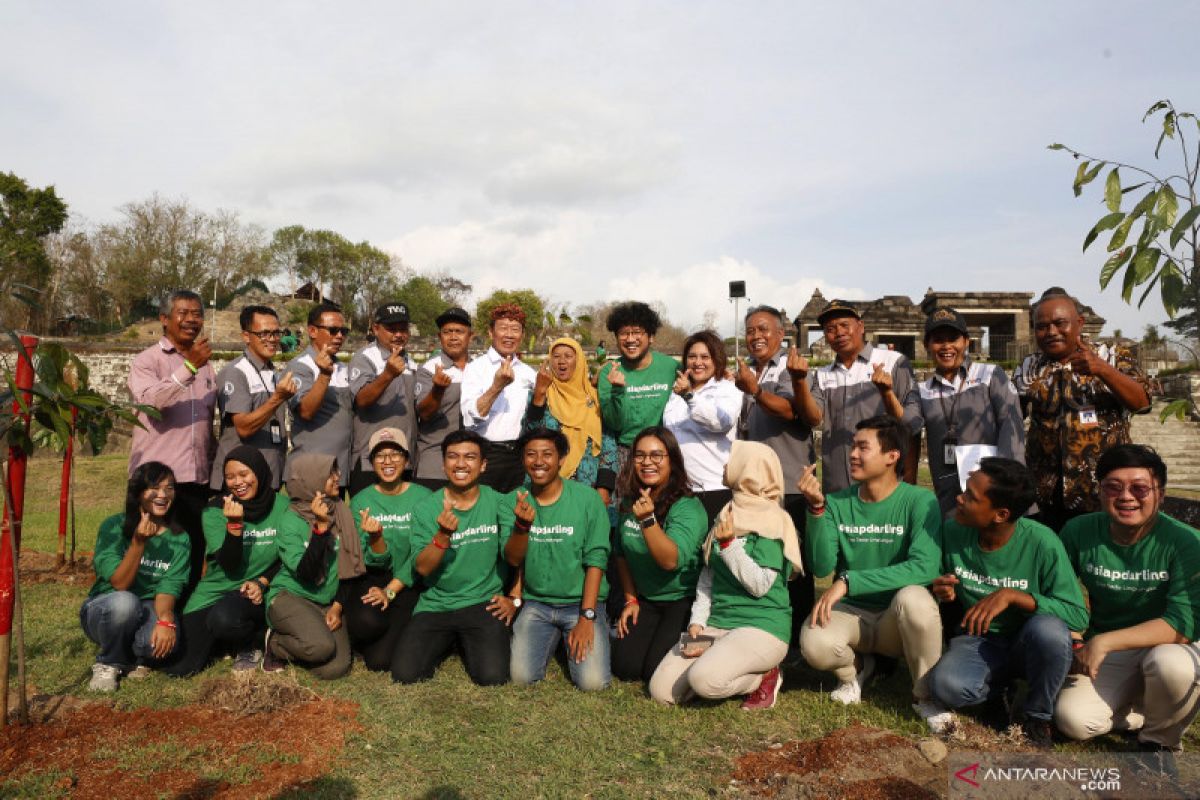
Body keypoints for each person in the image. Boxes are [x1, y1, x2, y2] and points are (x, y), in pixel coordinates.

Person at [1055, 445, 1200, 768]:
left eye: (1139, 488)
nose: (1126, 497)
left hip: (1171, 644)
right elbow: (1061, 593)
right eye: (1113, 487)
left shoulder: (1186, 542)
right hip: (1113, 649)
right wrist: (1076, 639)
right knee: (1072, 720)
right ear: (1099, 491)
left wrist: (1103, 642)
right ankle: (1134, 711)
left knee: (1170, 666)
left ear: (1160, 494)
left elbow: (1182, 624)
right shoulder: (1079, 531)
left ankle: (1159, 742)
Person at [926, 458, 1089, 742]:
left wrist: (1014, 597)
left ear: (1000, 514)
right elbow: (934, 579)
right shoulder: (953, 532)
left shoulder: (1042, 542)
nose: (959, 499)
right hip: (980, 641)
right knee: (946, 687)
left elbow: (1077, 615)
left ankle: (1038, 718)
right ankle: (998, 691)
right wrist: (939, 588)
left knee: (1050, 632)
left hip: (1030, 642)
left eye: (971, 497)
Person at [798, 416, 943, 725]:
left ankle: (924, 695)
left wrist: (850, 581)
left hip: (896, 618)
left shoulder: (920, 501)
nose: (852, 454)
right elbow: (821, 566)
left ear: (892, 457)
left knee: (916, 599)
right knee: (813, 643)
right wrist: (816, 510)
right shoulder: (837, 503)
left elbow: (925, 567)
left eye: (863, 447)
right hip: (854, 617)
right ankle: (856, 672)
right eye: (853, 446)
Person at [648, 441, 801, 710]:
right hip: (717, 625)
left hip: (761, 628)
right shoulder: (726, 512)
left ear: (749, 468)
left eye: (731, 459)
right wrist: (697, 624)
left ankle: (765, 676)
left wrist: (730, 546)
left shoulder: (773, 520)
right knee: (661, 692)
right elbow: (709, 578)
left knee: (704, 681)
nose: (725, 465)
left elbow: (759, 586)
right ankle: (718, 665)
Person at [1013, 291, 1151, 531]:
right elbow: (1014, 417)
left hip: (1102, 490)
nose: (1051, 332)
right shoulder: (1030, 365)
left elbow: (1142, 403)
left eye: (1059, 323)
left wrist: (1102, 370)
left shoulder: (1112, 356)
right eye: (1042, 326)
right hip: (1045, 493)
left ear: (1079, 324)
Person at [391, 430, 519, 685]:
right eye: (453, 457)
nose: (461, 464)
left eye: (470, 457)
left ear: (483, 465)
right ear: (443, 463)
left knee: (491, 677)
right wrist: (442, 537)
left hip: (484, 601)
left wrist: (514, 599)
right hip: (437, 604)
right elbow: (423, 568)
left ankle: (467, 639)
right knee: (405, 675)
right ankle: (448, 639)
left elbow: (515, 558)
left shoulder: (498, 502)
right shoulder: (427, 508)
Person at [734, 306, 820, 649]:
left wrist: (755, 390)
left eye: (763, 329)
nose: (756, 336)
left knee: (796, 567)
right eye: (750, 331)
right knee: (762, 562)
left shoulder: (792, 368)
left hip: (789, 484)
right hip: (754, 490)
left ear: (781, 334)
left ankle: (801, 642)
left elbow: (791, 411)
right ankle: (766, 634)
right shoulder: (745, 374)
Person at [166, 446, 295, 676]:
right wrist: (234, 526)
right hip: (217, 590)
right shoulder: (215, 511)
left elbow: (289, 558)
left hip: (258, 592)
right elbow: (229, 564)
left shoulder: (283, 507)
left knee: (224, 619)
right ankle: (225, 641)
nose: (237, 482)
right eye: (230, 477)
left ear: (260, 473)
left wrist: (263, 582)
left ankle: (252, 643)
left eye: (244, 474)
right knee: (180, 668)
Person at [506, 428, 614, 691]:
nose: (539, 461)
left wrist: (587, 617)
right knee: (521, 678)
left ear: (562, 458)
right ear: (523, 460)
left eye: (547, 454)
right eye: (531, 454)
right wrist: (521, 526)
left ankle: (598, 628)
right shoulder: (514, 499)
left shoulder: (587, 499)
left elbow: (597, 560)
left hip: (581, 604)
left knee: (593, 684)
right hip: (537, 603)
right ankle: (553, 638)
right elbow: (512, 558)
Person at [128, 289, 216, 593]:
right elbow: (151, 402)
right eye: (183, 313)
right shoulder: (147, 361)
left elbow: (207, 424)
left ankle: (182, 631)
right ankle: (148, 630)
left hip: (194, 482)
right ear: (164, 319)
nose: (192, 320)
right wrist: (188, 367)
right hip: (155, 483)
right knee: (153, 562)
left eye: (197, 314)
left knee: (191, 561)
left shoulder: (207, 364)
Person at [81, 462, 191, 691]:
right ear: (138, 492)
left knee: (162, 646)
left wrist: (165, 619)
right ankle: (109, 662)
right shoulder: (114, 527)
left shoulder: (180, 538)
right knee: (125, 603)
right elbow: (120, 583)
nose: (163, 495)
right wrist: (138, 543)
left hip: (149, 605)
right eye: (155, 488)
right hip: (107, 605)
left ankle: (133, 655)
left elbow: (169, 586)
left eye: (169, 488)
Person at [611, 427, 708, 684]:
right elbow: (620, 554)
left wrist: (648, 520)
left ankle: (711, 642)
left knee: (654, 670)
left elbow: (670, 561)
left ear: (672, 460)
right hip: (647, 599)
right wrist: (631, 600)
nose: (647, 462)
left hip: (683, 598)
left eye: (657, 455)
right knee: (625, 667)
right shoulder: (629, 502)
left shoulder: (687, 507)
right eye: (640, 456)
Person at [917, 307, 1025, 515]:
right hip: (948, 495)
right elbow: (908, 425)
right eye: (938, 339)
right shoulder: (922, 390)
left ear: (966, 341)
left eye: (953, 339)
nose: (946, 346)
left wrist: (1007, 485)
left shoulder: (990, 375)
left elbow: (1011, 428)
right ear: (927, 345)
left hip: (993, 494)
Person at [262, 453, 362, 679]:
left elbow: (349, 568)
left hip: (326, 602)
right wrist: (320, 530)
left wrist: (337, 607)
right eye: (330, 474)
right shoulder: (290, 521)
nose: (338, 477)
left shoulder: (342, 512)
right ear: (311, 479)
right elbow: (306, 574)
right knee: (320, 648)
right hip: (291, 596)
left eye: (336, 472)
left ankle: (307, 639)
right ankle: (275, 642)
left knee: (335, 669)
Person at [811, 299, 921, 493]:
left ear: (861, 326)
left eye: (845, 325)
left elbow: (911, 425)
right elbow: (813, 417)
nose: (838, 333)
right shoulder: (822, 374)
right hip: (836, 484)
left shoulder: (893, 362)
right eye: (830, 329)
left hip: (884, 485)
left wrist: (910, 479)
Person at [346, 428, 432, 672]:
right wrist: (376, 539)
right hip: (375, 577)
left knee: (380, 661)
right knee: (365, 624)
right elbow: (370, 560)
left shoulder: (424, 498)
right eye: (380, 456)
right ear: (372, 462)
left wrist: (391, 591)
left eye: (395, 454)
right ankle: (360, 634)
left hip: (410, 580)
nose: (388, 461)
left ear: (406, 460)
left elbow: (422, 553)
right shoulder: (361, 501)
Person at [210, 305, 296, 493]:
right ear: (246, 336)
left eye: (276, 333)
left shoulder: (273, 373)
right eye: (264, 334)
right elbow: (244, 427)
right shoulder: (236, 372)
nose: (272, 339)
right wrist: (277, 398)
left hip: (268, 476)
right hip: (240, 481)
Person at [664, 329, 743, 523]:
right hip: (680, 491)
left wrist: (689, 397)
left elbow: (722, 422)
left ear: (717, 360)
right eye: (692, 357)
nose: (698, 362)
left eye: (705, 357)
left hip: (715, 487)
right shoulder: (676, 392)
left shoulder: (727, 389)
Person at [524, 337, 617, 501]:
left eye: (568, 356)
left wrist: (603, 488)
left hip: (588, 487)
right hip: (545, 486)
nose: (561, 362)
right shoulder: (540, 393)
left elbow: (608, 444)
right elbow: (530, 436)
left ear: (579, 360)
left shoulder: (595, 398)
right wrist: (539, 395)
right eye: (556, 356)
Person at [459, 303, 537, 493]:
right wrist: (496, 387)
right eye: (503, 328)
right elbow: (470, 417)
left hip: (519, 456)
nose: (509, 335)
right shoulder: (476, 368)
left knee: (515, 514)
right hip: (486, 455)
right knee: (485, 514)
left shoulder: (528, 373)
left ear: (522, 335)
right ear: (491, 332)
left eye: (515, 329)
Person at [348, 302, 419, 496]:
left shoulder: (409, 361)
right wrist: (388, 374)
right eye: (391, 329)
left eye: (403, 329)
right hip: (370, 460)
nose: (398, 335)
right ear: (376, 329)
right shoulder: (365, 358)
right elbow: (362, 400)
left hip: (403, 458)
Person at [598, 301, 680, 465]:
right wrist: (617, 391)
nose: (630, 339)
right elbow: (615, 423)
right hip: (626, 453)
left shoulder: (671, 367)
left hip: (664, 451)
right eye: (623, 333)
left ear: (651, 337)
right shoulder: (609, 373)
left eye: (637, 332)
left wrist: (723, 376)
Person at [286, 302, 353, 491]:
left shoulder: (342, 366)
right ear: (312, 331)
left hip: (338, 469)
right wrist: (324, 376)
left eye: (343, 331)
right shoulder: (301, 366)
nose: (339, 336)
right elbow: (305, 411)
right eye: (333, 330)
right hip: (312, 471)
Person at [413, 307, 472, 490]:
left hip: (469, 462)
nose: (453, 337)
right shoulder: (430, 369)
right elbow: (424, 412)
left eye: (459, 332)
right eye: (447, 332)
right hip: (434, 461)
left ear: (470, 336)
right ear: (440, 337)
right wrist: (437, 389)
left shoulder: (479, 368)